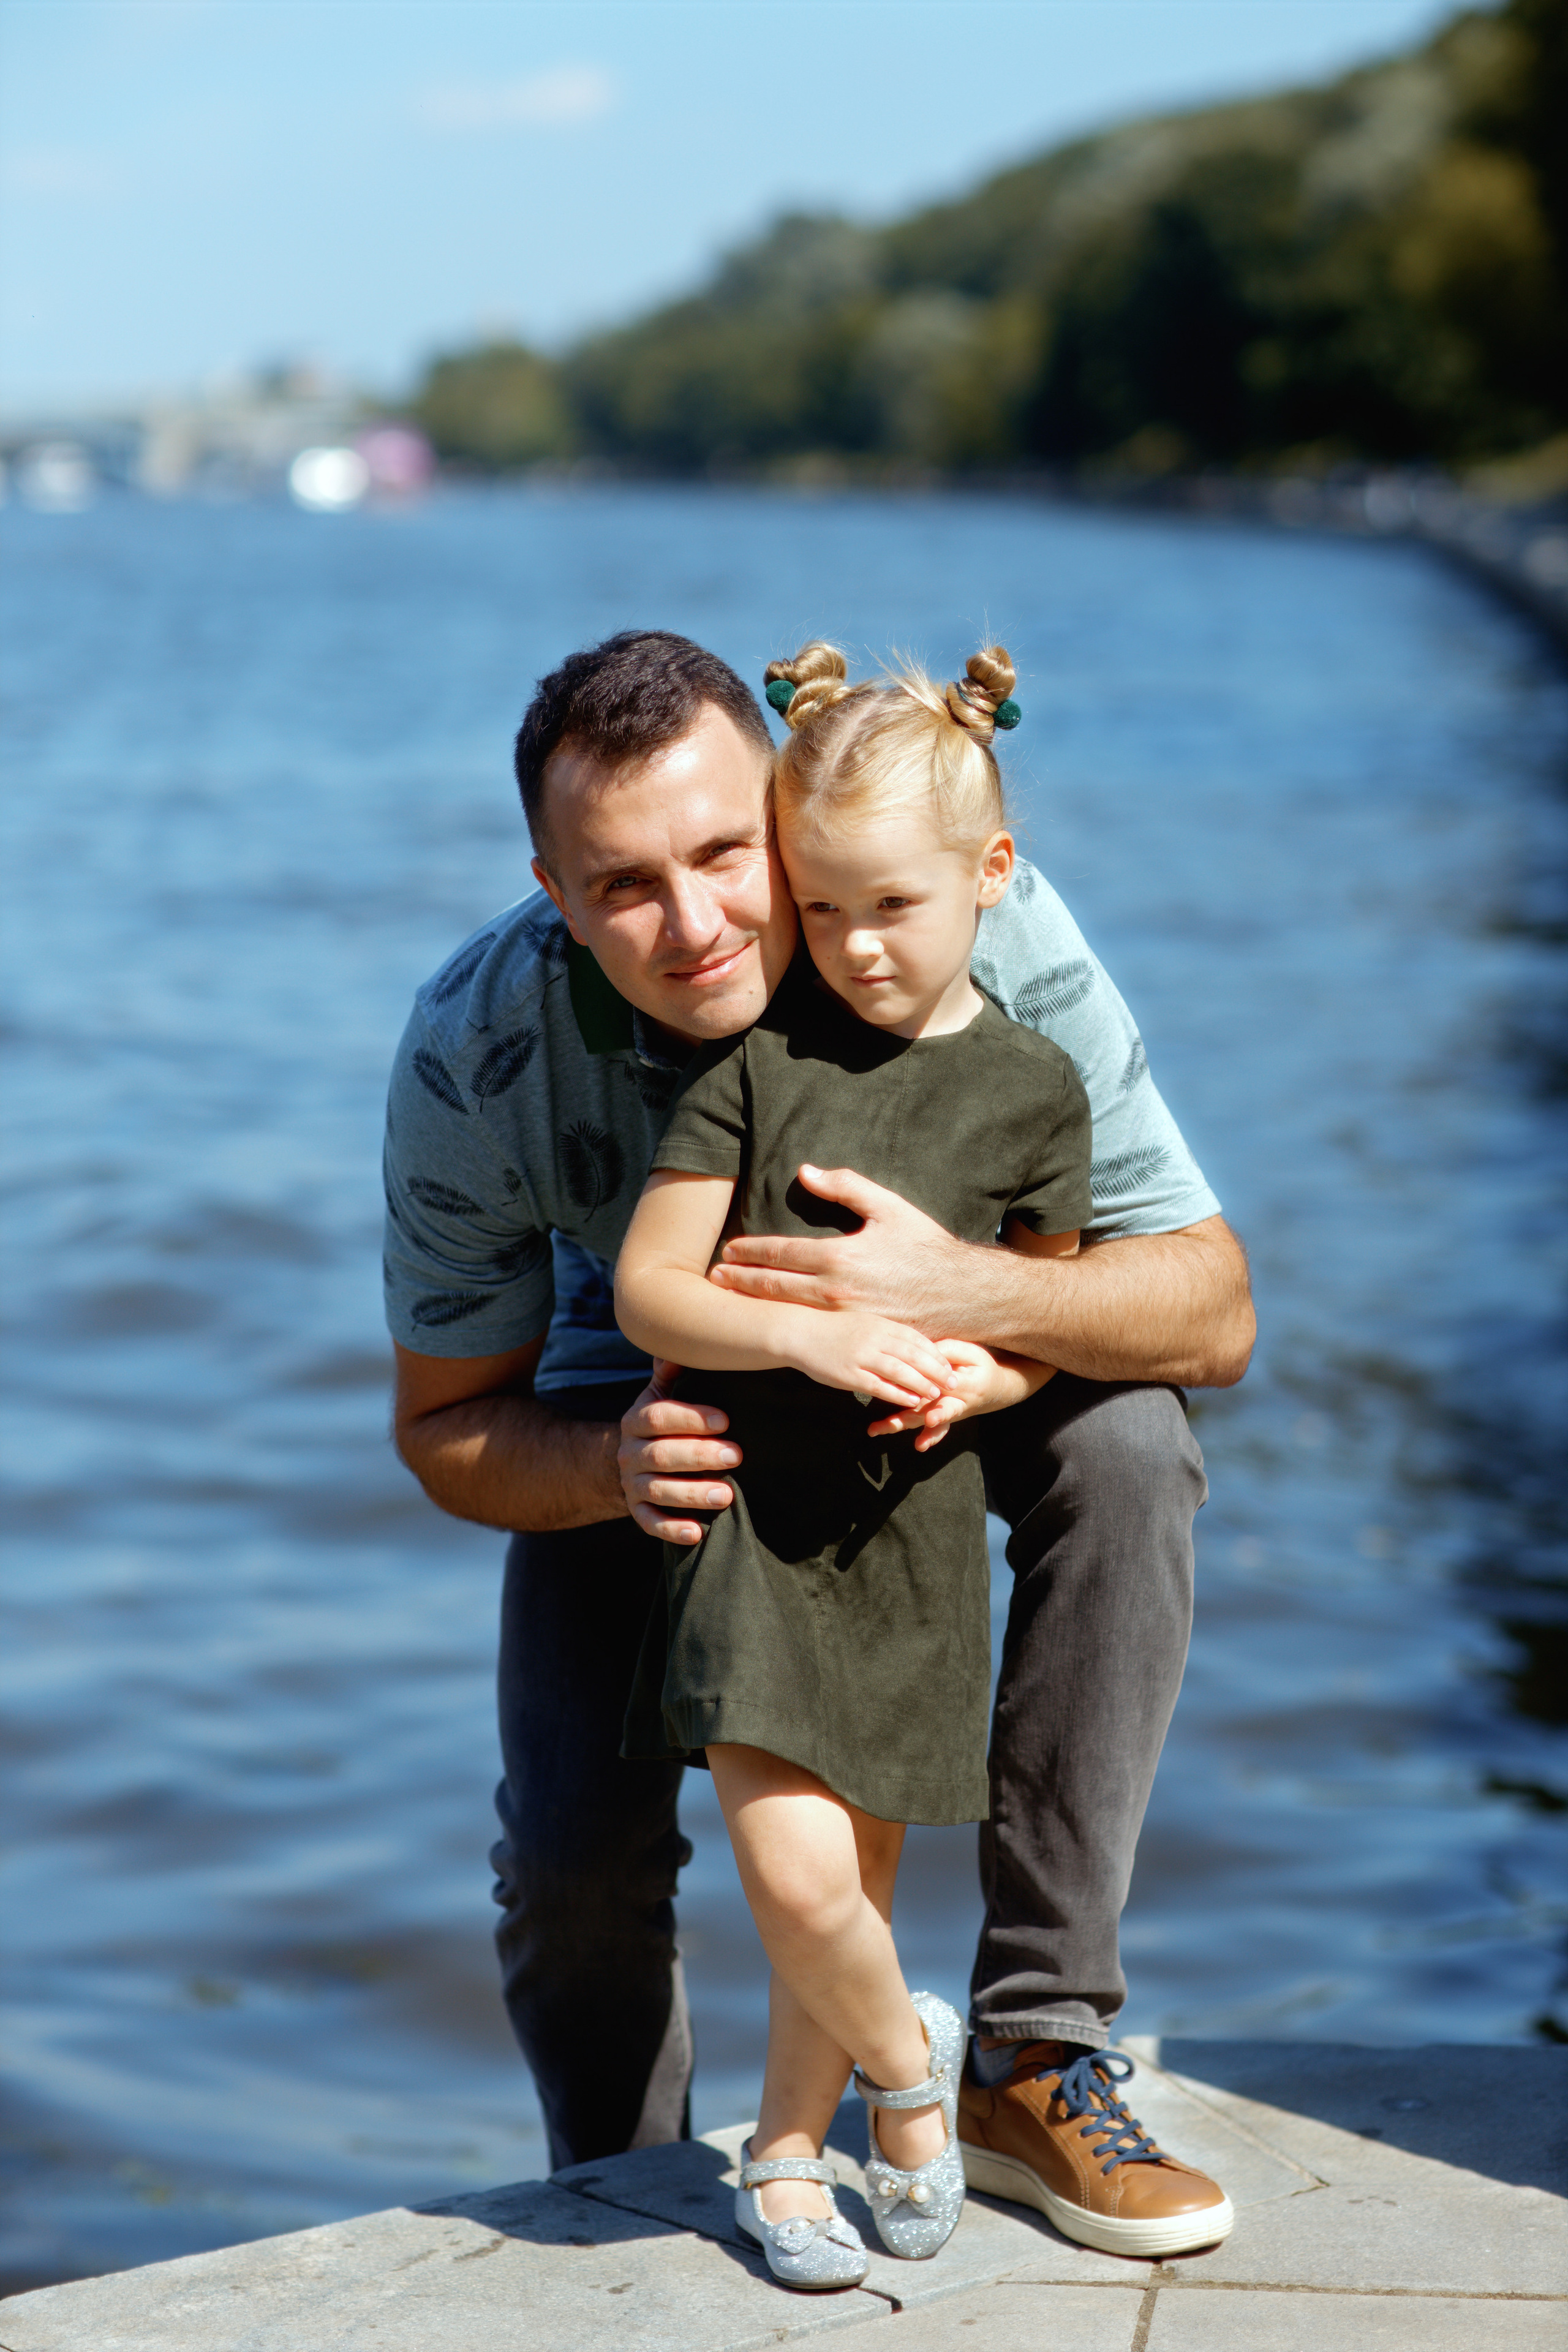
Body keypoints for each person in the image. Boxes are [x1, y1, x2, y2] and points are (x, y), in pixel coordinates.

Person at [384, 627, 1254, 2261]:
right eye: (623, 885)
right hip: (652, 1387)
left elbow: (1212, 1309)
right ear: (552, 893)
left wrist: (959, 1293)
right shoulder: (478, 1048)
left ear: (788, 812)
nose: (697, 924)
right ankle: (622, 2175)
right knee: (568, 1860)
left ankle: (1033, 2054)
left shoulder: (958, 917)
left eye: (730, 853)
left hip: (956, 1353)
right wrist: (609, 1463)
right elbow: (443, 1431)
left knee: (1135, 1447)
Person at [613, 639, 1091, 2288]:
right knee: (798, 1873)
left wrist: (989, 1367)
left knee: (862, 1879)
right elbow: (651, 1291)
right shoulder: (760, 1064)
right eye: (821, 910)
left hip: (914, 1525)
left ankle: (783, 2152)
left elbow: (1049, 1309)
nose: (857, 945)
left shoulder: (1036, 1088)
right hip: (750, 1524)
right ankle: (909, 2066)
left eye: (894, 905)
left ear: (991, 873)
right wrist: (808, 1340)